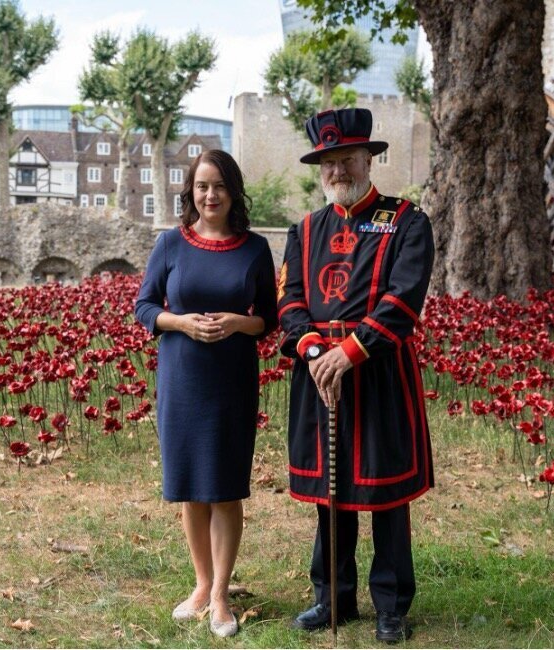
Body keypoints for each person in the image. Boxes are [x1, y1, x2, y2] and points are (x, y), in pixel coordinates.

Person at [277, 108, 435, 643]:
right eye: (328, 162)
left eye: (347, 158)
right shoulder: (303, 230)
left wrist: (350, 350)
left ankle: (391, 605)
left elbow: (402, 300)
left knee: (386, 494)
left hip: (379, 372)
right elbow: (290, 300)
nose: (338, 170)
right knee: (331, 492)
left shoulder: (408, 220)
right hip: (318, 371)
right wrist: (316, 349)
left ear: (369, 158)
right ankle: (332, 597)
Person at [134, 149, 278, 638]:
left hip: (232, 379)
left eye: (218, 186)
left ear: (233, 190)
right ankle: (200, 584)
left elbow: (270, 319)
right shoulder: (170, 244)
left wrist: (239, 322)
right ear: (190, 192)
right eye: (201, 186)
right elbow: (145, 306)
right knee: (190, 487)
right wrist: (180, 322)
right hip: (182, 376)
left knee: (224, 486)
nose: (210, 195)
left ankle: (221, 594)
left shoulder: (255, 248)